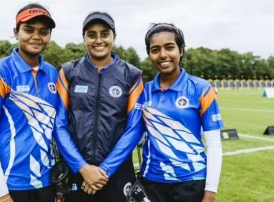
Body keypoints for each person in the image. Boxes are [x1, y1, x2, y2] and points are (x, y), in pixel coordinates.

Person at [54, 11, 144, 202]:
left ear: (114, 36)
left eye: (104, 34)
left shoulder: (132, 75)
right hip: (77, 172)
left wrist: (104, 169)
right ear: (84, 38)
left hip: (118, 173)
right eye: (92, 34)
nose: (98, 40)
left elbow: (134, 129)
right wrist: (82, 167)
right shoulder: (68, 72)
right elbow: (59, 125)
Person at [0, 3, 58, 202]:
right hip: (7, 184)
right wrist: (1, 193)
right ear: (16, 32)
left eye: (43, 31)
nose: (36, 36)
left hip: (45, 182)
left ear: (49, 36)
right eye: (28, 30)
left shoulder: (54, 73)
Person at [140, 23, 224, 202]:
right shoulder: (142, 91)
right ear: (149, 54)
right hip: (151, 182)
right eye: (155, 49)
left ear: (181, 50)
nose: (163, 55)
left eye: (169, 47)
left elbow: (215, 145)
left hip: (191, 182)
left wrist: (210, 192)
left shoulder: (201, 88)